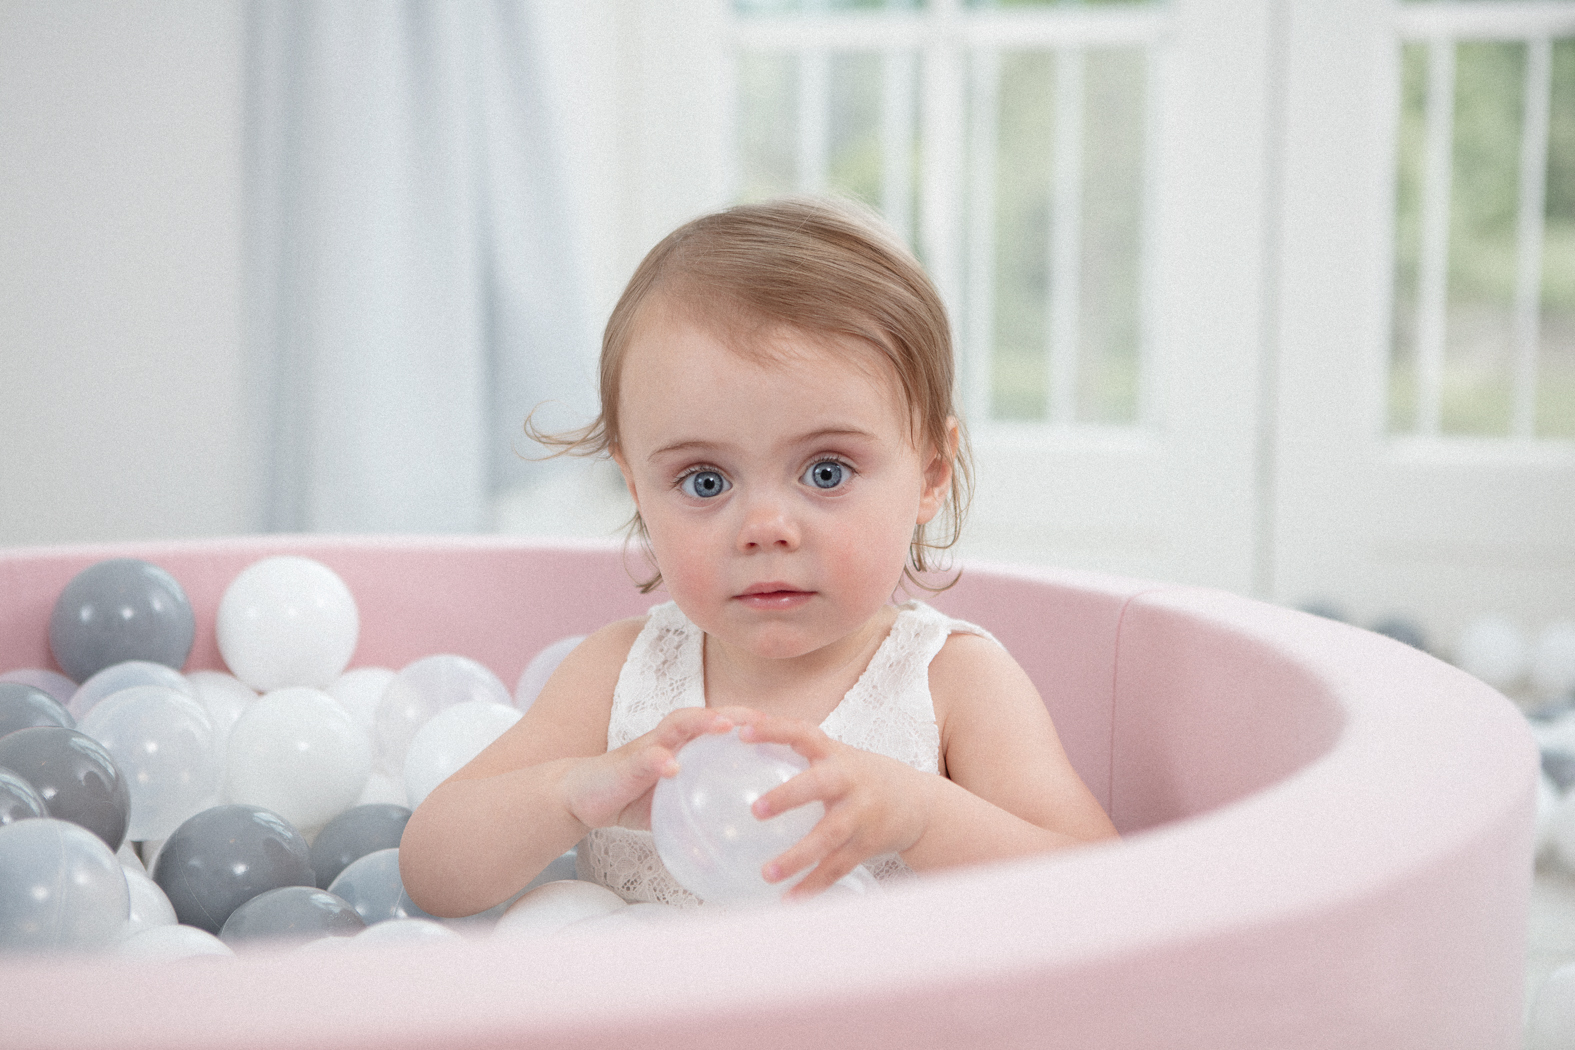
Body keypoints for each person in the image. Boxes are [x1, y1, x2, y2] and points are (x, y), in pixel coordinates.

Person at [399, 197, 1117, 916]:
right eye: (704, 481)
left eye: (826, 471)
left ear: (930, 471)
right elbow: (432, 874)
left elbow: (1101, 890)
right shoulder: (619, 674)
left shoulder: (952, 682)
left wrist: (923, 816)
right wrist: (570, 793)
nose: (765, 528)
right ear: (638, 489)